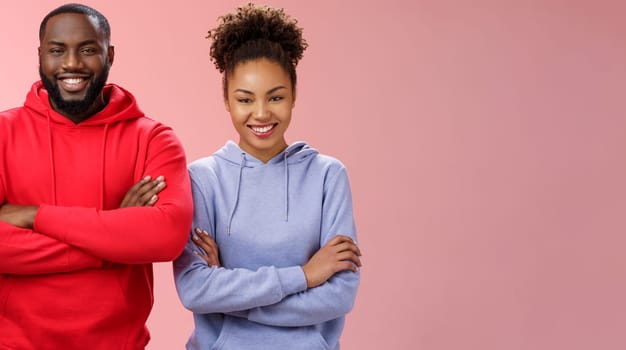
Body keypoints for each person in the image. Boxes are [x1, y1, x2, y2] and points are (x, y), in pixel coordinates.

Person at [0, 3, 193, 349]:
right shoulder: (3, 133)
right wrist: (115, 235)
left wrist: (34, 215)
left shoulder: (153, 139)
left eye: (88, 50)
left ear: (110, 55)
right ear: (40, 55)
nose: (72, 64)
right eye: (57, 51)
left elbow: (166, 236)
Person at [173, 4, 361, 350]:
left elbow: (338, 297)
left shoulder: (327, 176)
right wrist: (304, 275)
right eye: (245, 99)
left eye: (276, 97)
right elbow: (195, 289)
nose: (261, 113)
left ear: (294, 95)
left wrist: (231, 296)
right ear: (227, 100)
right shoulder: (203, 179)